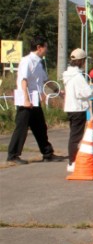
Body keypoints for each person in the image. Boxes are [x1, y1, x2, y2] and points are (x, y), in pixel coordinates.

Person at [6, 36, 59, 165]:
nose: (46, 49)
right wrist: (26, 99)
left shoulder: (39, 63)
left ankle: (47, 153)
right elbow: (23, 81)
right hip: (26, 101)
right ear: (39, 48)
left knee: (40, 127)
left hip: (35, 100)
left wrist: (58, 91)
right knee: (21, 128)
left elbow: (45, 80)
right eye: (45, 47)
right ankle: (12, 156)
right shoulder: (27, 61)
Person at [63, 49, 93, 172]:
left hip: (70, 107)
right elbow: (87, 93)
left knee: (74, 135)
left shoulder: (67, 75)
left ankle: (73, 161)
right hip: (78, 108)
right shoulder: (77, 76)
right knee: (76, 137)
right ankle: (72, 162)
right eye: (85, 60)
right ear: (81, 61)